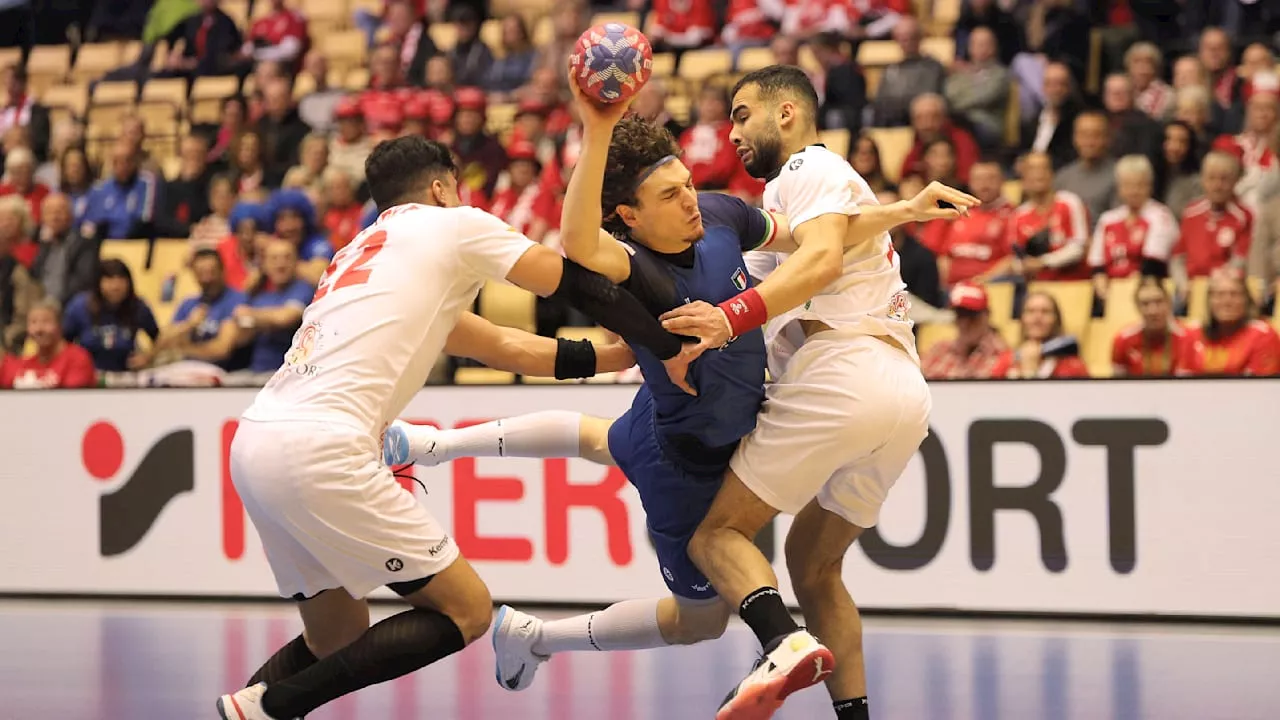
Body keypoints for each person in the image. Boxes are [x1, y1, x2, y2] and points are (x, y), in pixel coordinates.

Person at [384, 75, 854, 703]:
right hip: (685, 467)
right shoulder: (632, 265)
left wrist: (891, 215)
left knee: (598, 438)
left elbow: (814, 232)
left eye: (687, 182)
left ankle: (434, 448)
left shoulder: (719, 213)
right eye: (670, 193)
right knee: (702, 621)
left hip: (671, 423)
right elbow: (576, 238)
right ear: (630, 216)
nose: (690, 198)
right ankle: (544, 638)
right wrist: (597, 127)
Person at [214, 135, 699, 720]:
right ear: (442, 188)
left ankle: (247, 709)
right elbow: (569, 280)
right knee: (467, 611)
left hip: (257, 440)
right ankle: (269, 707)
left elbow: (504, 344)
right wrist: (662, 340)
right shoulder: (454, 225)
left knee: (335, 633)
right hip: (324, 446)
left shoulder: (362, 253)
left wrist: (619, 358)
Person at [657, 65, 978, 720]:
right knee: (813, 563)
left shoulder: (804, 165)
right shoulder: (805, 196)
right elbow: (838, 234)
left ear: (786, 113)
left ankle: (782, 642)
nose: (731, 131)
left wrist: (730, 317)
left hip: (842, 370)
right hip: (901, 394)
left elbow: (824, 258)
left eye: (742, 114)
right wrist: (907, 209)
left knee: (715, 536)